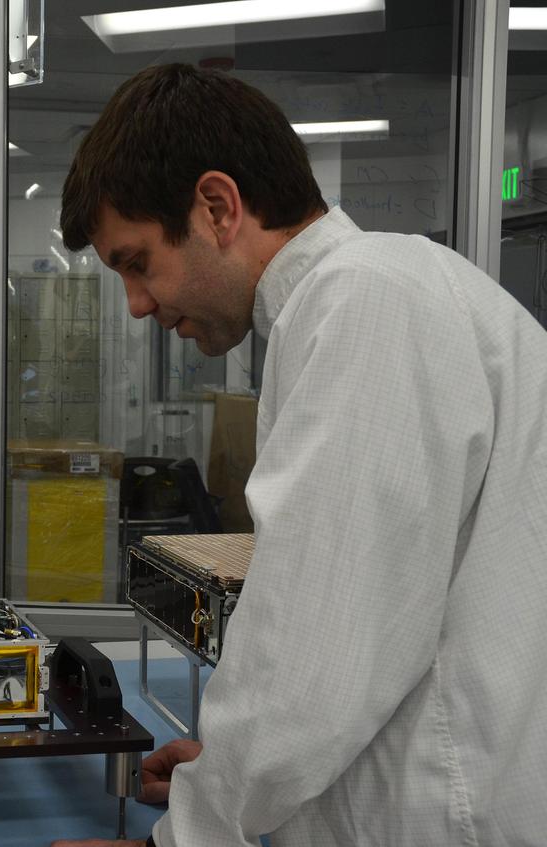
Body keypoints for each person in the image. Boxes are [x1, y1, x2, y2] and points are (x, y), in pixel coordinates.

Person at [51, 64, 547, 847]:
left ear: (218, 208)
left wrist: (183, 833)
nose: (137, 304)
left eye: (137, 262)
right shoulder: (370, 296)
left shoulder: (365, 301)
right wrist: (226, 773)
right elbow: (374, 640)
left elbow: (310, 664)